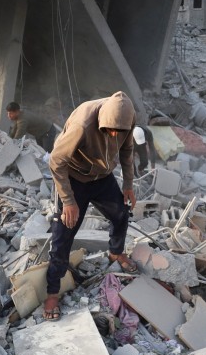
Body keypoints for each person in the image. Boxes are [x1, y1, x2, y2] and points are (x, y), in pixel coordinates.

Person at [44, 92, 138, 321]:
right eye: (109, 130)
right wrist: (68, 201)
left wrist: (128, 185)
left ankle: (116, 252)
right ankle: (52, 292)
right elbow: (56, 161)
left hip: (102, 177)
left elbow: (127, 151)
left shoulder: (127, 120)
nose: (115, 134)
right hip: (74, 178)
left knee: (120, 212)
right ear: (101, 121)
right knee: (64, 231)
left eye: (119, 131)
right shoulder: (83, 124)